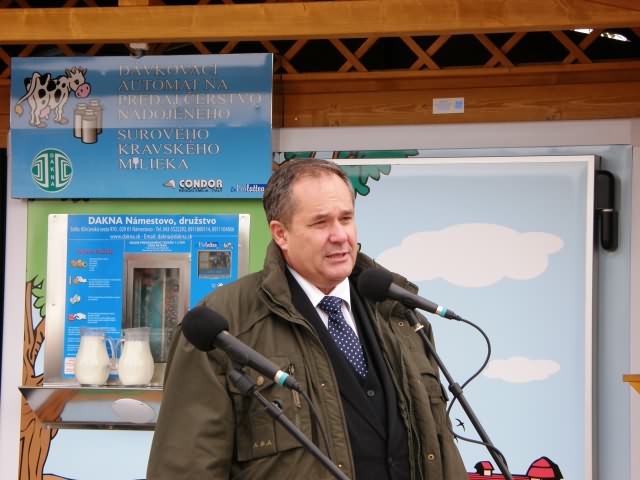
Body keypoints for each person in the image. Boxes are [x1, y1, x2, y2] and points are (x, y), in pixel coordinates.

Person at [147, 159, 467, 479]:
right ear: (281, 234)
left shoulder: (397, 311)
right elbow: (185, 468)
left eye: (346, 218)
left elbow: (441, 446)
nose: (340, 235)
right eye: (320, 223)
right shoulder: (223, 326)